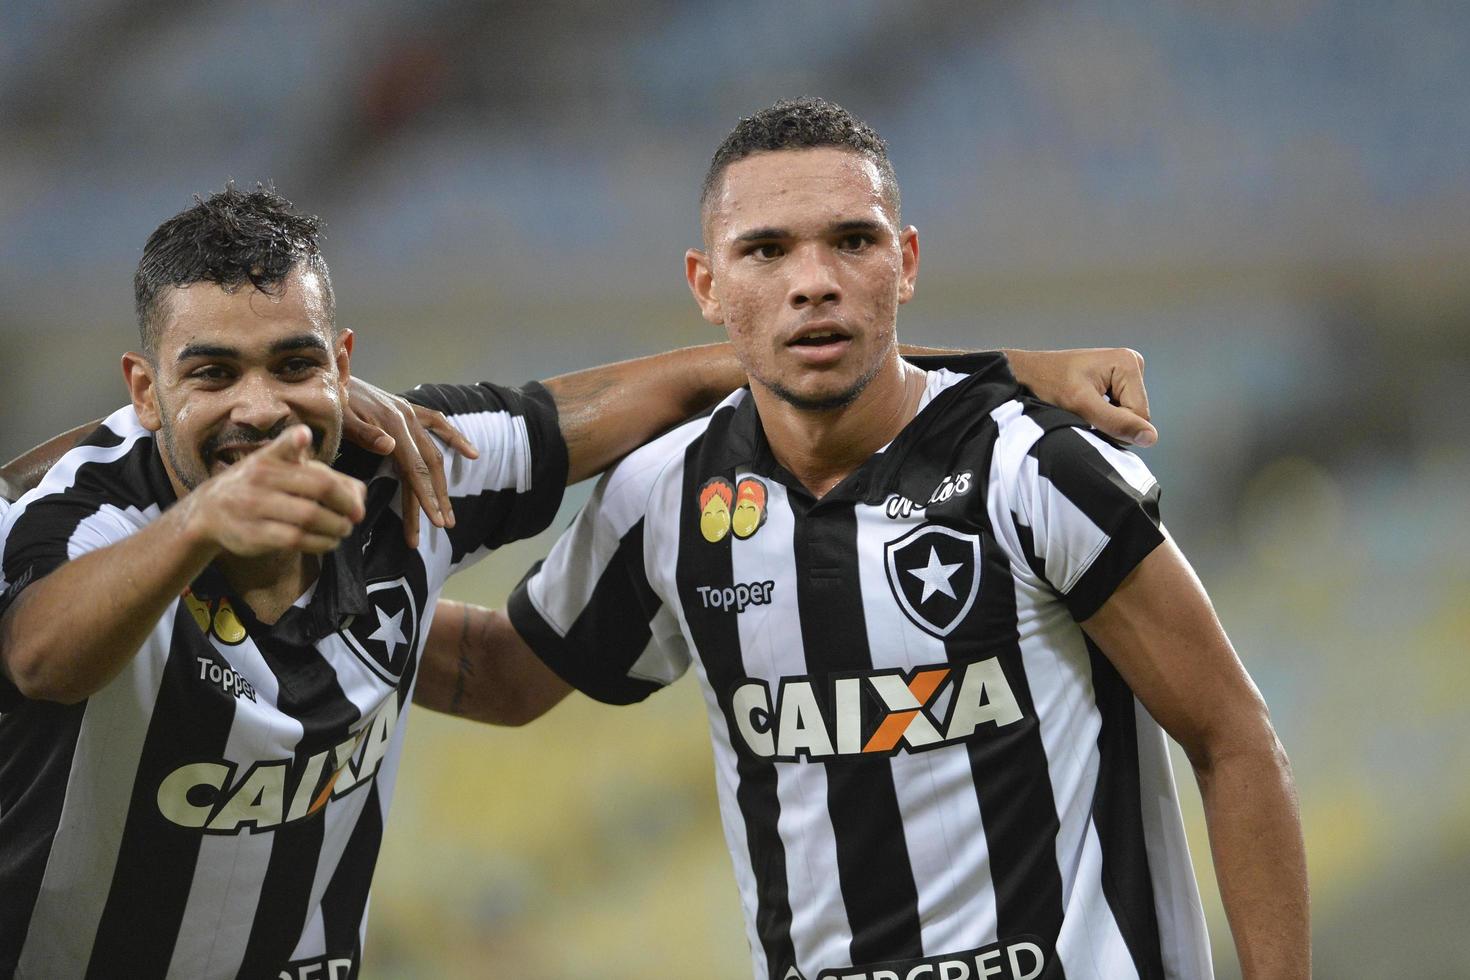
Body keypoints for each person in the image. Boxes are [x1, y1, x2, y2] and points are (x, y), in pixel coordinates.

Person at [0, 183, 1157, 979]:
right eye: (212, 374)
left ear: (343, 363)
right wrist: (203, 518)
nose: (260, 406)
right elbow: (42, 653)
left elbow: (698, 382)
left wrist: (1011, 369)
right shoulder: (74, 513)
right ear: (144, 392)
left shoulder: (403, 465)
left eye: (292, 362)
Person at [445, 98, 1310, 979]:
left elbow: (1231, 737)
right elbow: (507, 675)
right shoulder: (668, 495)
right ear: (708, 285)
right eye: (767, 250)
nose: (813, 280)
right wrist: (317, 610)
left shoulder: (1035, 469)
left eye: (853, 241)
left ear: (905, 263)